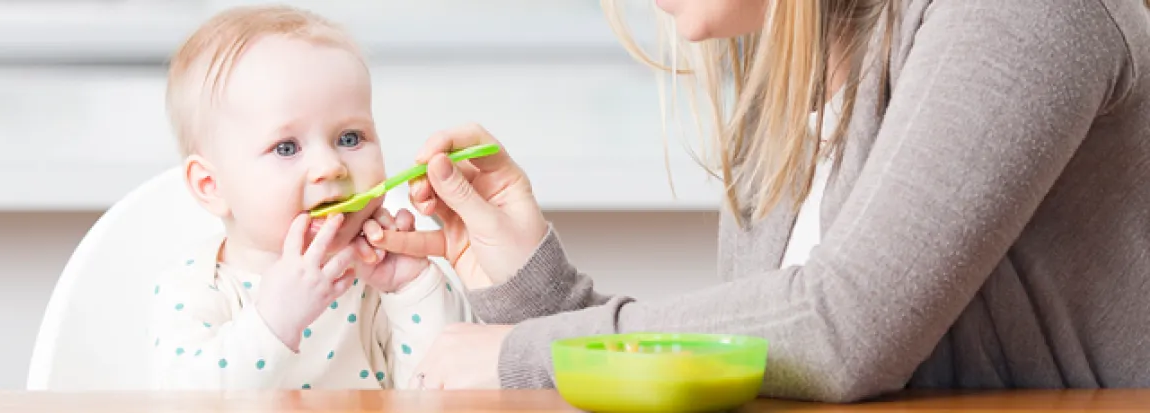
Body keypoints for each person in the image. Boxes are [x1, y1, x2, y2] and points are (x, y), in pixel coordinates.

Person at [365, 0, 1150, 403]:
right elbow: (763, 365)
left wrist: (523, 355)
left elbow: (845, 328)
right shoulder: (781, 88)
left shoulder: (1022, 13)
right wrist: (534, 290)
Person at [147, 5, 463, 390]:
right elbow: (185, 402)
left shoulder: (373, 279)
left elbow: (445, 394)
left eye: (349, 138)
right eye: (286, 147)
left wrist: (411, 288)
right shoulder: (195, 288)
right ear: (212, 185)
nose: (330, 166)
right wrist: (274, 321)